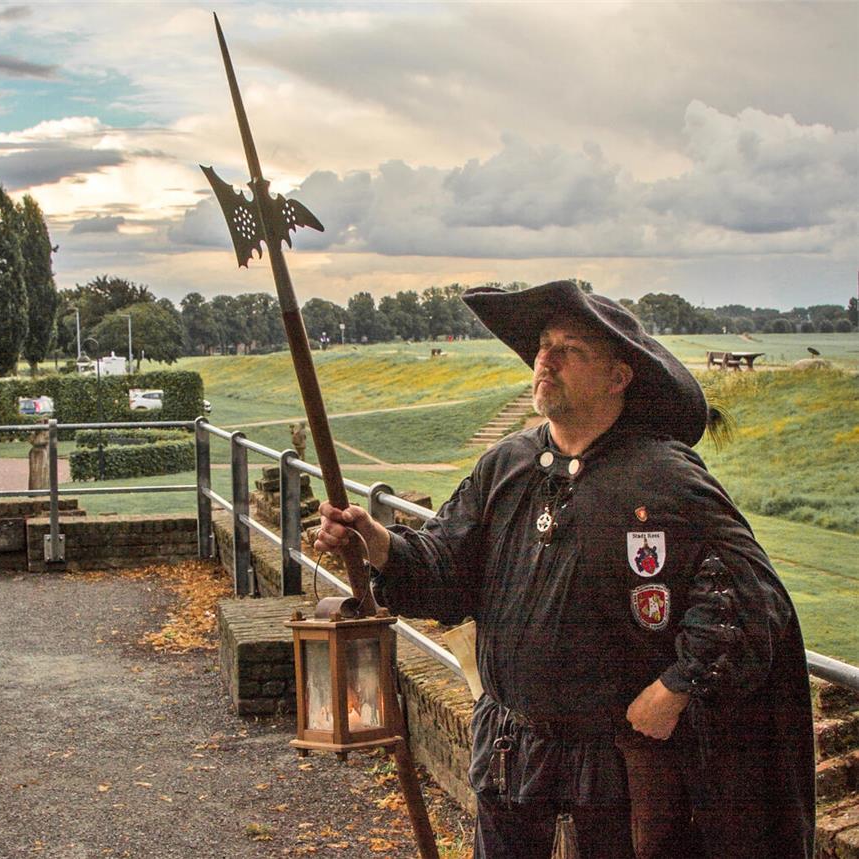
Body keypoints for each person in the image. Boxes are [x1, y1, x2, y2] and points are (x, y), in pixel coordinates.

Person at [315, 281, 814, 859]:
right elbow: (446, 568)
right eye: (542, 347)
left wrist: (676, 686)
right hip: (511, 750)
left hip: (617, 767)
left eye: (568, 349)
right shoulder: (507, 465)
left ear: (618, 376)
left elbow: (748, 595)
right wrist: (376, 541)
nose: (543, 360)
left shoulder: (664, 477)